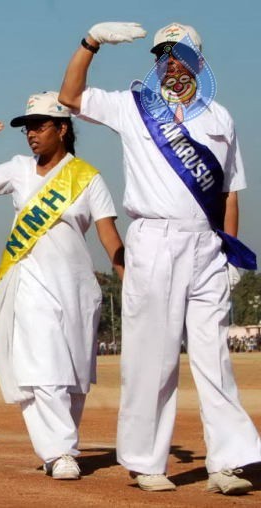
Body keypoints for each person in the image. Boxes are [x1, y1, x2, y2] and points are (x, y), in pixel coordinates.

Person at [58, 21, 260, 494]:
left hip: (207, 245)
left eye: (179, 53)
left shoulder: (221, 118)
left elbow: (230, 192)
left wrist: (229, 253)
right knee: (154, 356)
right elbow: (70, 97)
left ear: (197, 61)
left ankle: (227, 462)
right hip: (153, 240)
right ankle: (147, 461)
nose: (169, 61)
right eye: (162, 54)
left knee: (214, 355)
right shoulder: (134, 108)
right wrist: (91, 42)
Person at [0, 92, 124, 480]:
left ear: (62, 129)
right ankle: (61, 451)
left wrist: (128, 278)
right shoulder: (18, 169)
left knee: (75, 380)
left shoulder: (88, 178)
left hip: (79, 290)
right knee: (44, 370)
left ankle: (59, 446)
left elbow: (109, 237)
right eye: (27, 128)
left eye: (39, 125)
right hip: (30, 282)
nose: (31, 134)